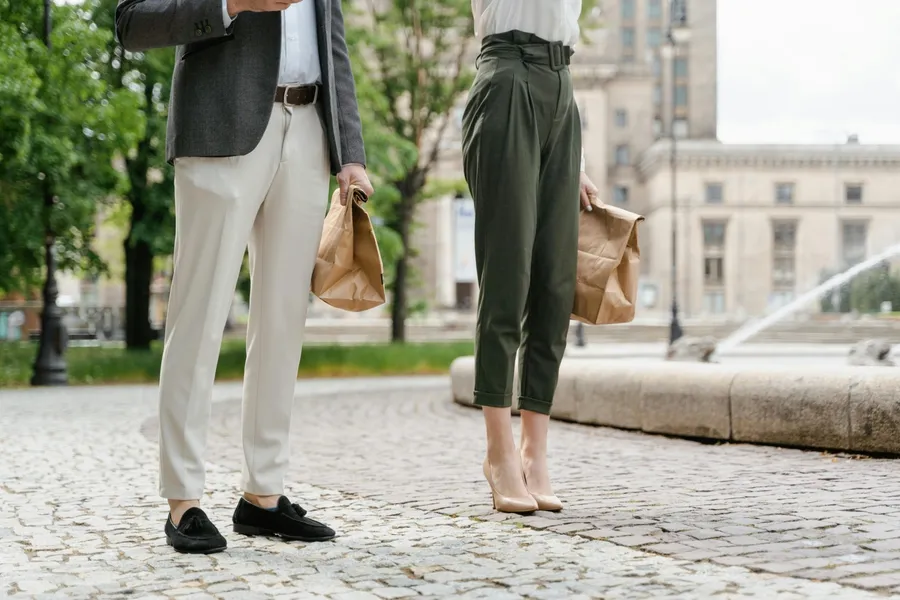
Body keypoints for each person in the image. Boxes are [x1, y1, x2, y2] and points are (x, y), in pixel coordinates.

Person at [116, 0, 374, 553]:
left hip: (308, 131)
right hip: (218, 125)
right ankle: (182, 499)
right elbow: (133, 22)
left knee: (283, 323)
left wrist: (350, 151)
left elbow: (333, 42)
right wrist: (233, 3)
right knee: (200, 313)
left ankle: (263, 496)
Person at [462, 0, 598, 513]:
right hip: (507, 77)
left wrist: (576, 159)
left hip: (561, 86)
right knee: (507, 278)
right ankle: (498, 453)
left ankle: (534, 452)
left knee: (554, 285)